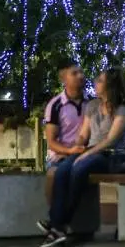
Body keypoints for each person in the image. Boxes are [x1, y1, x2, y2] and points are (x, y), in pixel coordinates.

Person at [40, 66, 125, 247]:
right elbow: (84, 134)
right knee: (62, 170)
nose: (94, 82)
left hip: (109, 155)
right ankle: (57, 225)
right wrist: (77, 148)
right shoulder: (92, 106)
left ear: (110, 86)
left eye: (100, 81)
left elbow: (110, 141)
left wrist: (86, 154)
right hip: (89, 151)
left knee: (79, 169)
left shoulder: (122, 110)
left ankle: (58, 225)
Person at [42, 61, 88, 202]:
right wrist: (69, 151)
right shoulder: (55, 105)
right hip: (60, 156)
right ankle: (53, 211)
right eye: (74, 73)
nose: (80, 76)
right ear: (63, 79)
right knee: (54, 174)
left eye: (81, 72)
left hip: (86, 154)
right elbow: (51, 142)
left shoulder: (92, 103)